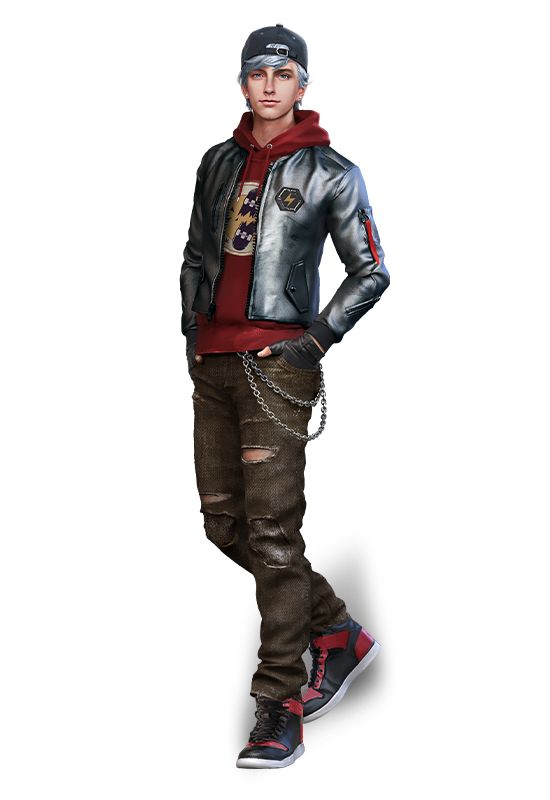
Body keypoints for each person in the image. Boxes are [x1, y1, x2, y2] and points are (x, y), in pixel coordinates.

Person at [180, 24, 389, 769]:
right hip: (212, 362)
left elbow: (368, 271)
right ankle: (339, 630)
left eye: (284, 73)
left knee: (271, 534)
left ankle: (281, 709)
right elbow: (195, 255)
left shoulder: (331, 170)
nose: (270, 86)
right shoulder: (219, 159)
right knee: (224, 526)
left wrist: (316, 340)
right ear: (242, 84)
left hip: (278, 366)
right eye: (257, 74)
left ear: (303, 85)